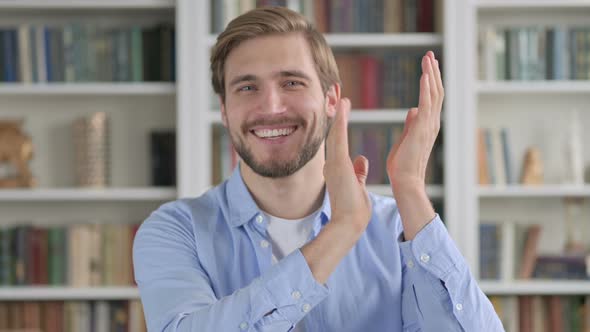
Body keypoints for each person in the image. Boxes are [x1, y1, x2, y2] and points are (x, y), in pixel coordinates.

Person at [133, 6, 503, 332]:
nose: (271, 106)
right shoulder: (176, 232)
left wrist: (409, 188)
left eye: (291, 82)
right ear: (225, 110)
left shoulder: (399, 230)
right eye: (247, 87)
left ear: (330, 100)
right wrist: (342, 230)